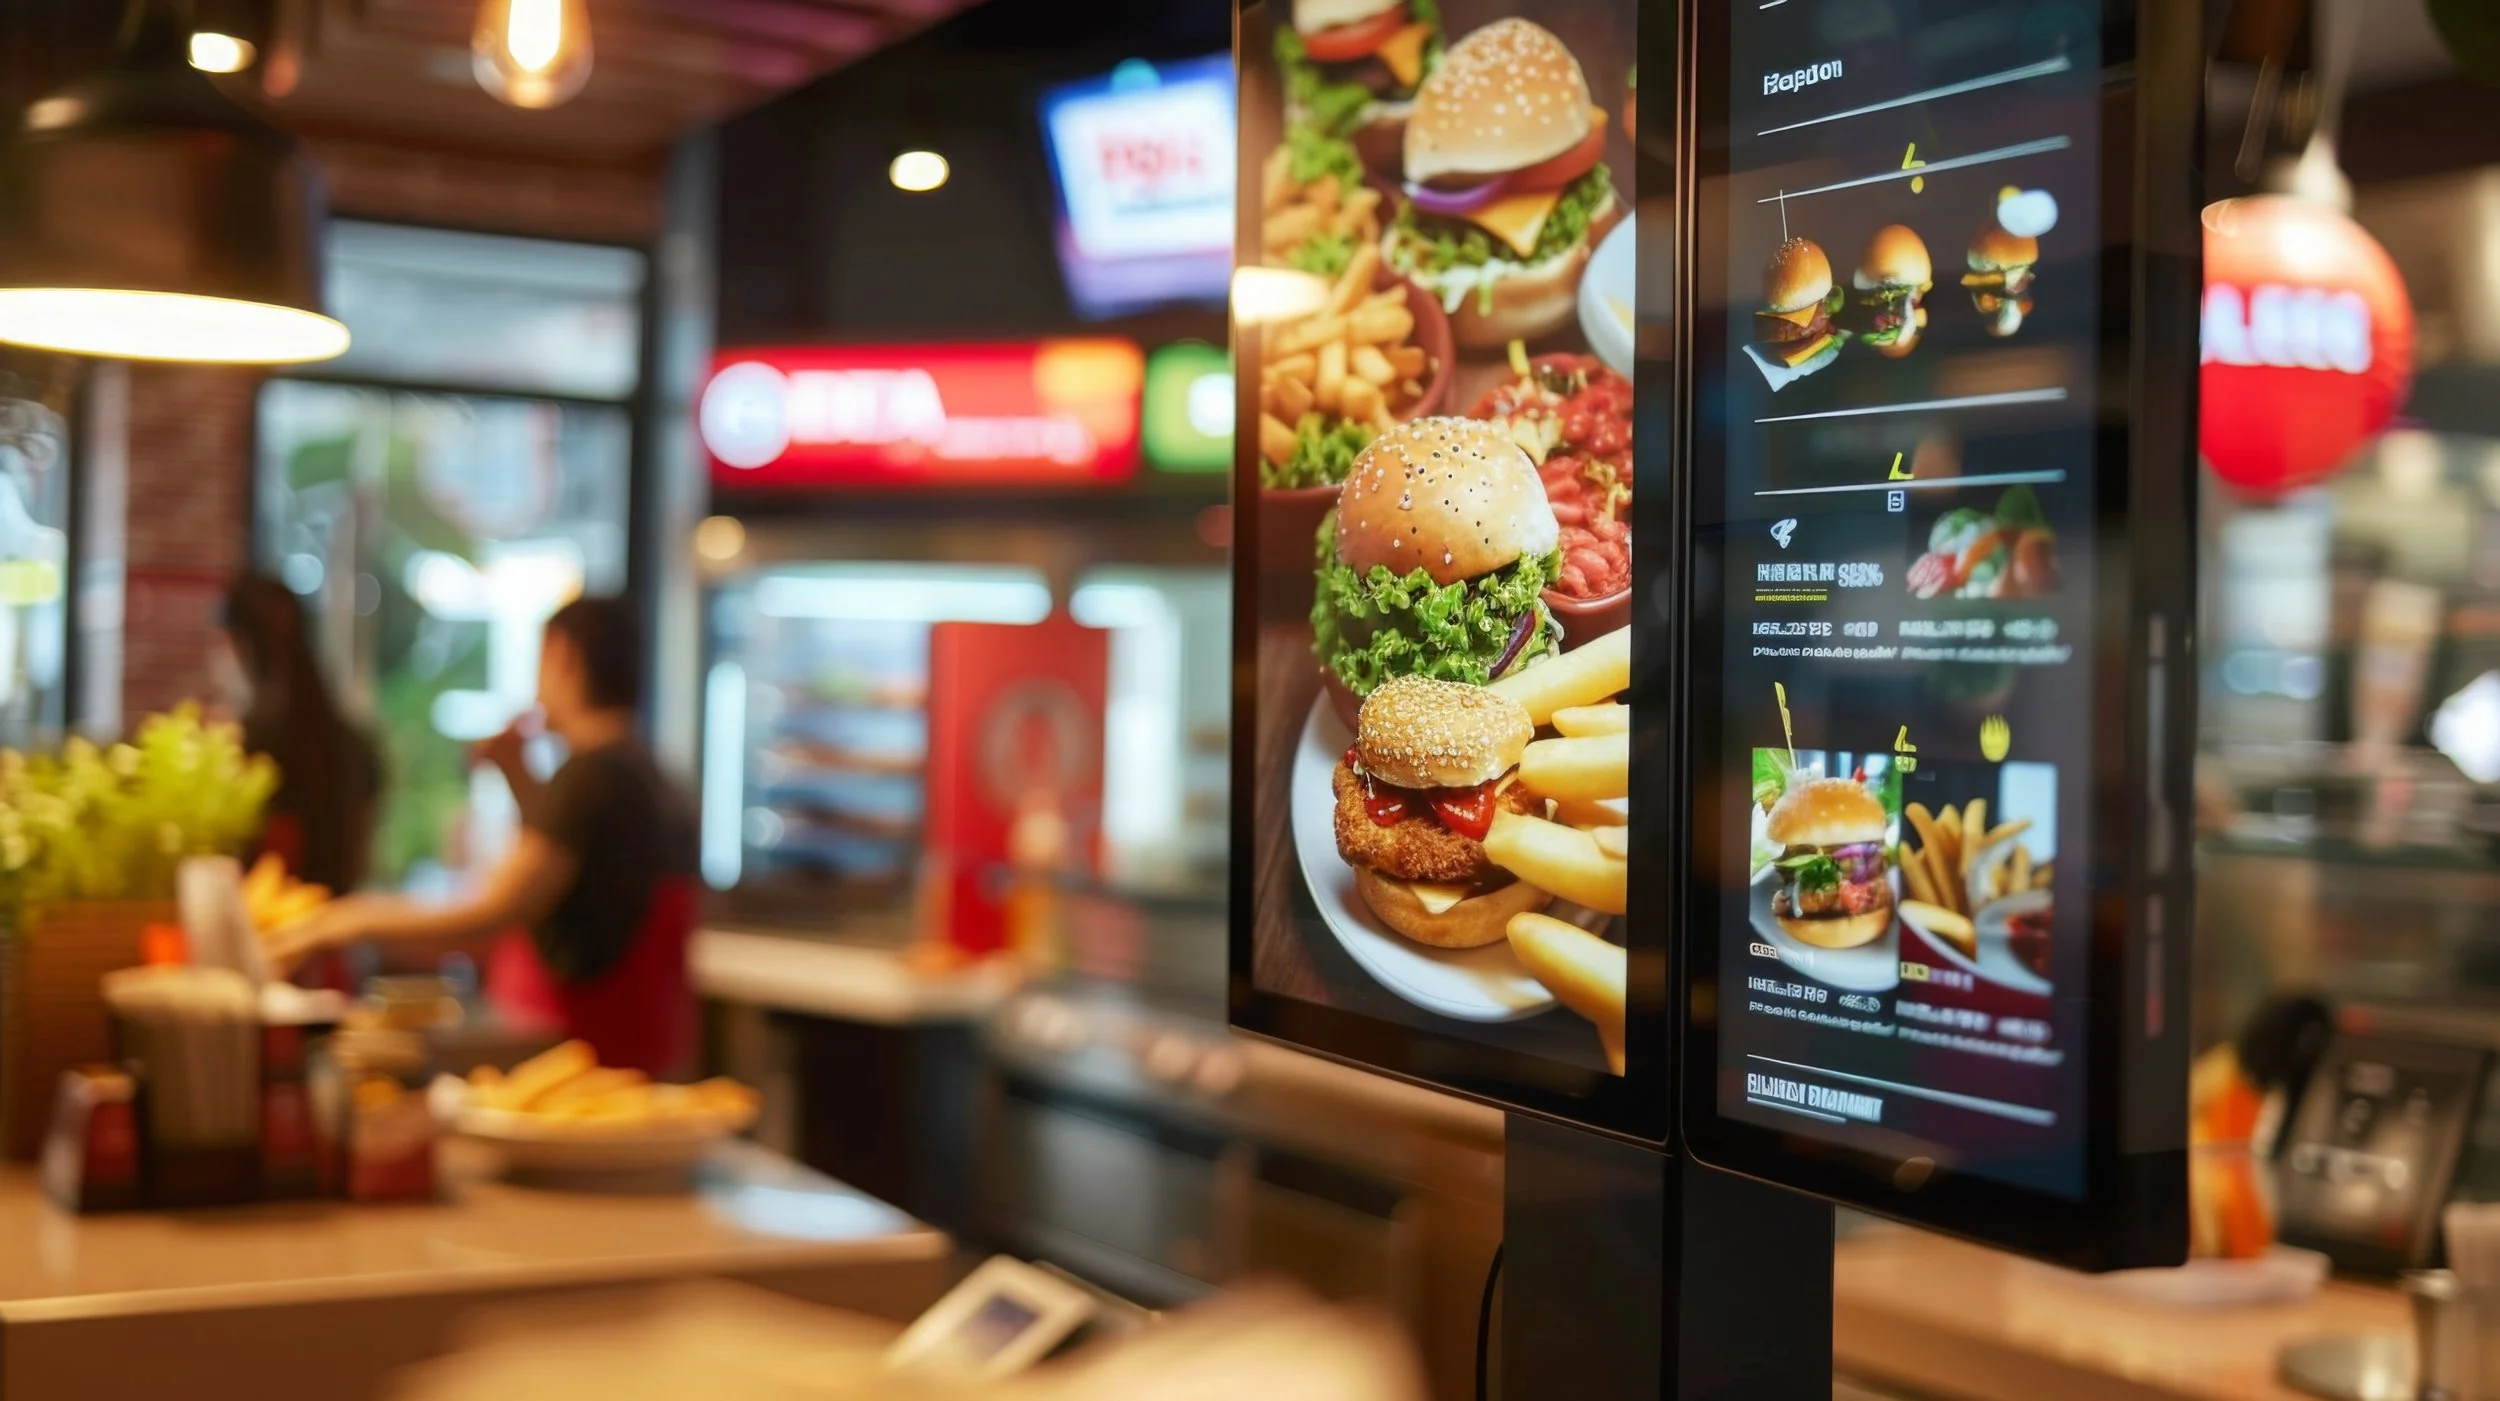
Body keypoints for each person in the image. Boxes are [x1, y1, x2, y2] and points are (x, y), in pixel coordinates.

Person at [273, 595, 701, 1075]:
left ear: (563, 655)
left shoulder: (589, 777)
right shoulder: (655, 776)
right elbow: (576, 876)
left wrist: (346, 920)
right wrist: (514, 773)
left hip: (577, 1056)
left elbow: (495, 912)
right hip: (642, 1051)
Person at [219, 575, 382, 895]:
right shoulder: (352, 739)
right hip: (338, 922)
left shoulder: (247, 741)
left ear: (236, 643)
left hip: (274, 926)